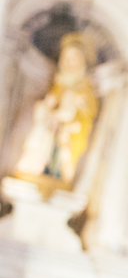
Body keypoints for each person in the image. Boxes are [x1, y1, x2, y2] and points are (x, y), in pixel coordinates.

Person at [15, 32, 99, 186]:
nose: (69, 63)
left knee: (62, 153)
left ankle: (59, 174)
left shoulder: (84, 89)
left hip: (67, 135)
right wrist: (47, 108)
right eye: (66, 59)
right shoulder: (57, 84)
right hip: (48, 131)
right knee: (39, 140)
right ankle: (36, 167)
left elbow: (87, 115)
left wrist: (71, 113)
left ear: (82, 63)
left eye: (74, 59)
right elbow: (45, 107)